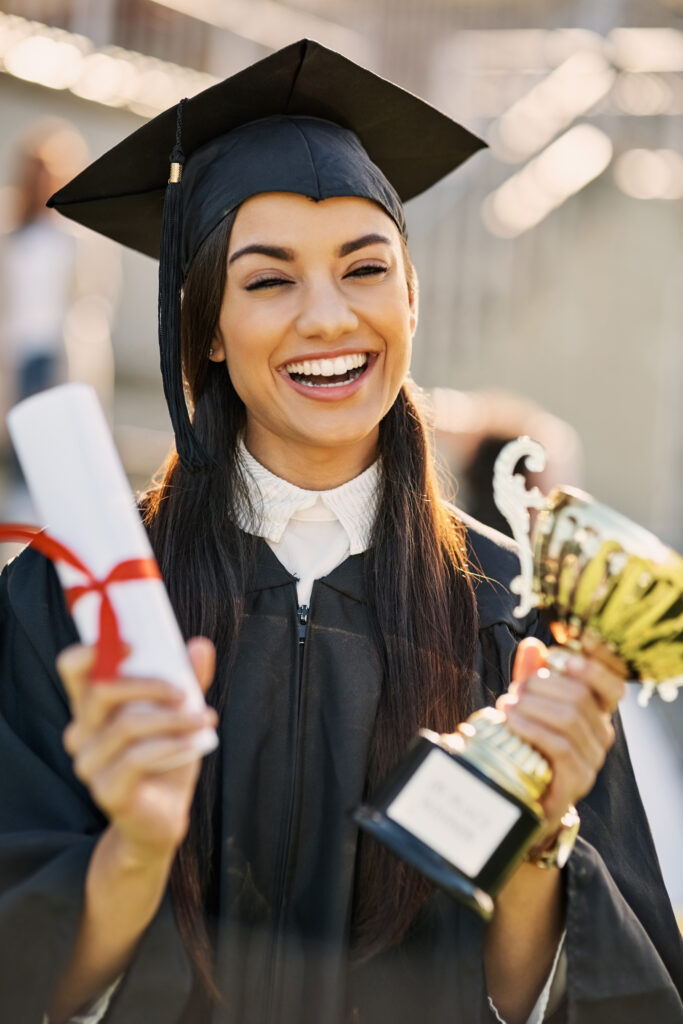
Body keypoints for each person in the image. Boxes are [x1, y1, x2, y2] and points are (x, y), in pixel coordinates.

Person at [0, 40, 681, 1024]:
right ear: (206, 328)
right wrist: (132, 856)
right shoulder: (75, 607)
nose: (327, 317)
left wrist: (540, 838)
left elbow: (584, 995)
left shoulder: (514, 617)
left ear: (411, 296)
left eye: (365, 269)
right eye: (267, 281)